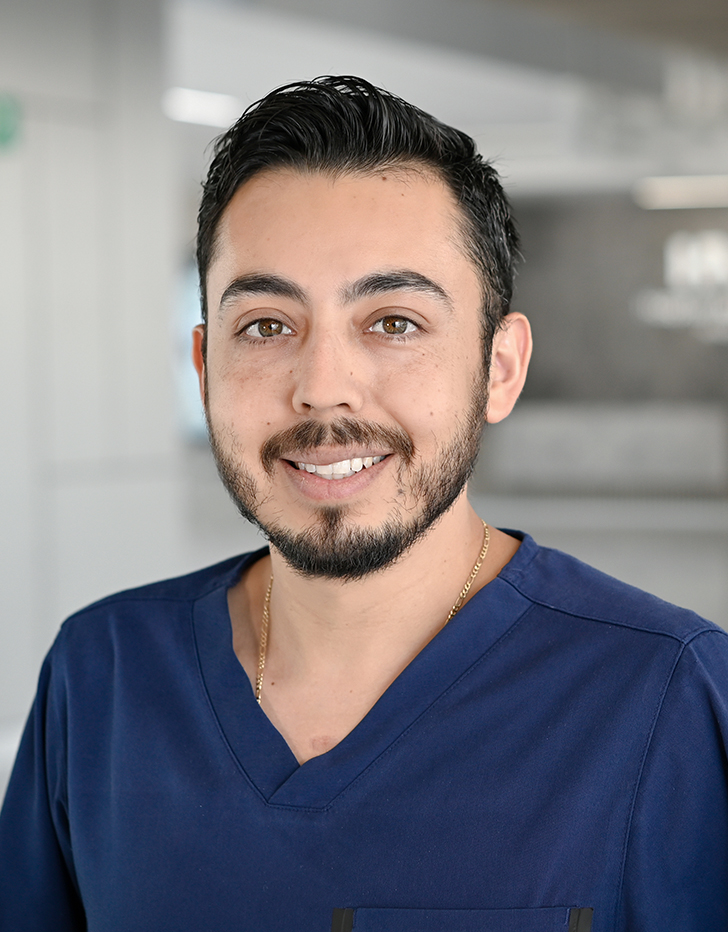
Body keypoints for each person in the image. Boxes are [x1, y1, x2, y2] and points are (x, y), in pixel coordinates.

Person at [1, 75, 727, 932]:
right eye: (267, 326)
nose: (322, 389)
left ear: (499, 368)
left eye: (393, 322)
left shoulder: (667, 695)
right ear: (203, 368)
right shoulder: (104, 675)